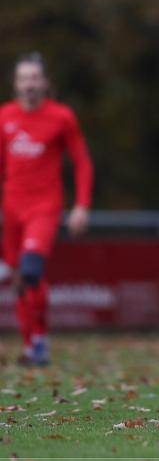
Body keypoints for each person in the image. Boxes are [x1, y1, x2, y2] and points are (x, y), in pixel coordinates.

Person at [1, 52, 93, 365]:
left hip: (44, 206)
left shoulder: (61, 117)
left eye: (34, 78)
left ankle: (39, 340)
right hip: (12, 207)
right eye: (23, 78)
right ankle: (33, 345)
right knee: (17, 280)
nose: (29, 84)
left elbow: (81, 162)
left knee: (31, 271)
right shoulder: (4, 117)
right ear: (16, 83)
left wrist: (81, 205)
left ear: (45, 82)